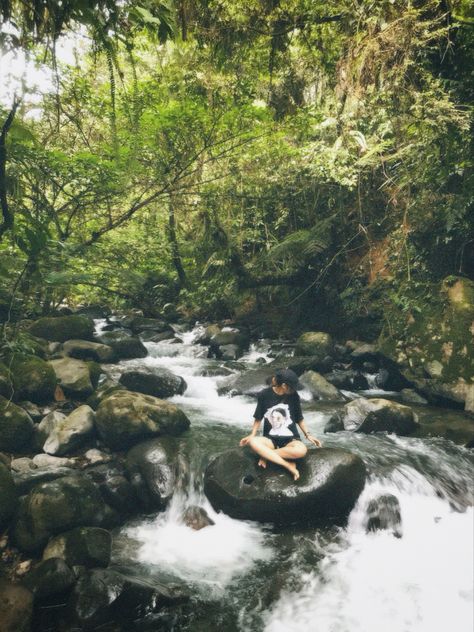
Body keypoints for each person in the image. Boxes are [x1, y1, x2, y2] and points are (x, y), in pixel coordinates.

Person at [239, 368, 322, 481]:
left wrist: (308, 435)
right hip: (270, 440)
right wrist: (252, 434)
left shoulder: (294, 396)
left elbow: (299, 418)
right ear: (284, 385)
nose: (294, 389)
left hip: (291, 439)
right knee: (253, 442)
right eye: (292, 386)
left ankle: (267, 455)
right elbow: (258, 417)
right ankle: (287, 465)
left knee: (301, 450)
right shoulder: (264, 394)